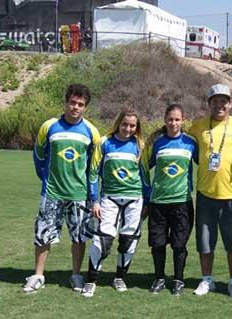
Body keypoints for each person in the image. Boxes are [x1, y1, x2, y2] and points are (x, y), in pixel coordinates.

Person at [22, 84, 100, 294]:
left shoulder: (91, 132)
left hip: (79, 194)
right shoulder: (49, 126)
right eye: (72, 102)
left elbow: (93, 168)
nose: (75, 107)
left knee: (79, 237)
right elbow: (38, 157)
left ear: (85, 107)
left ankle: (76, 274)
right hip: (52, 193)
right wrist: (47, 180)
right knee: (42, 235)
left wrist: (94, 197)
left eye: (80, 104)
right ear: (66, 102)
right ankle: (38, 275)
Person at [188, 84, 232, 298]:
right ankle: (207, 279)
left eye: (223, 101)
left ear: (230, 104)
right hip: (205, 193)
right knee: (205, 240)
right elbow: (189, 150)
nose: (219, 105)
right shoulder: (197, 126)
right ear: (209, 104)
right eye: (215, 101)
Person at [80, 109, 145, 298]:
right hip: (109, 198)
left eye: (132, 125)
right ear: (119, 123)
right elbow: (92, 174)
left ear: (136, 127)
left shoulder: (139, 145)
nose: (128, 128)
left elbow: (145, 176)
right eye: (125, 124)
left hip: (135, 199)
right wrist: (95, 201)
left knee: (129, 240)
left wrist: (146, 201)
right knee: (103, 240)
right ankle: (91, 280)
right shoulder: (104, 142)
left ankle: (120, 277)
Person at [141, 104, 198, 295]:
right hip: (158, 203)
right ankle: (159, 278)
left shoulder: (191, 142)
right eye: (170, 119)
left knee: (179, 244)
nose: (173, 123)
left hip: (182, 202)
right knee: (157, 243)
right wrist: (147, 194)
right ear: (165, 120)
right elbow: (142, 168)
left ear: (183, 120)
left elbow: (205, 163)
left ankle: (179, 279)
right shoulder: (156, 142)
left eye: (177, 119)